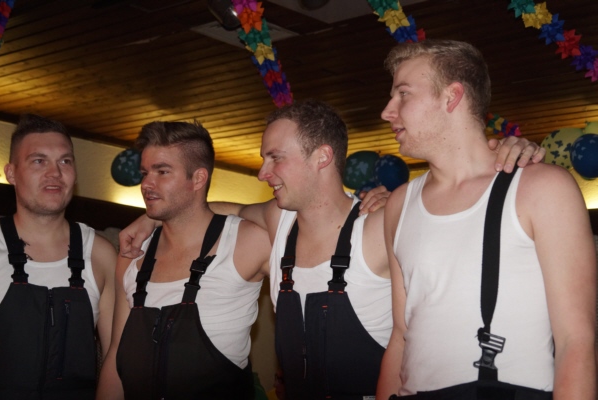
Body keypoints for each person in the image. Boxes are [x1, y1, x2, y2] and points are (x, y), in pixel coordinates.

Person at [119, 99, 545, 399]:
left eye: (275, 157)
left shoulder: (379, 224)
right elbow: (207, 210)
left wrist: (509, 152)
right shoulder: (277, 222)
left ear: (322, 157)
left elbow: (460, 199)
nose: (263, 172)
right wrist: (150, 216)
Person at [377, 40, 596, 399]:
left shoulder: (542, 188)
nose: (387, 111)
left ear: (452, 97)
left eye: (403, 94)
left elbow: (577, 341)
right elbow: (401, 336)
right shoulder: (399, 204)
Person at [96, 121, 271, 399]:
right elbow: (117, 356)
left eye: (162, 172)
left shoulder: (246, 241)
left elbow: (299, 217)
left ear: (199, 179)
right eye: (145, 173)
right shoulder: (133, 254)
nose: (146, 184)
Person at [0, 114, 117, 400]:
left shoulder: (100, 254)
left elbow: (116, 359)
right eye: (39, 161)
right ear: (11, 173)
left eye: (65, 161)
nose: (55, 173)